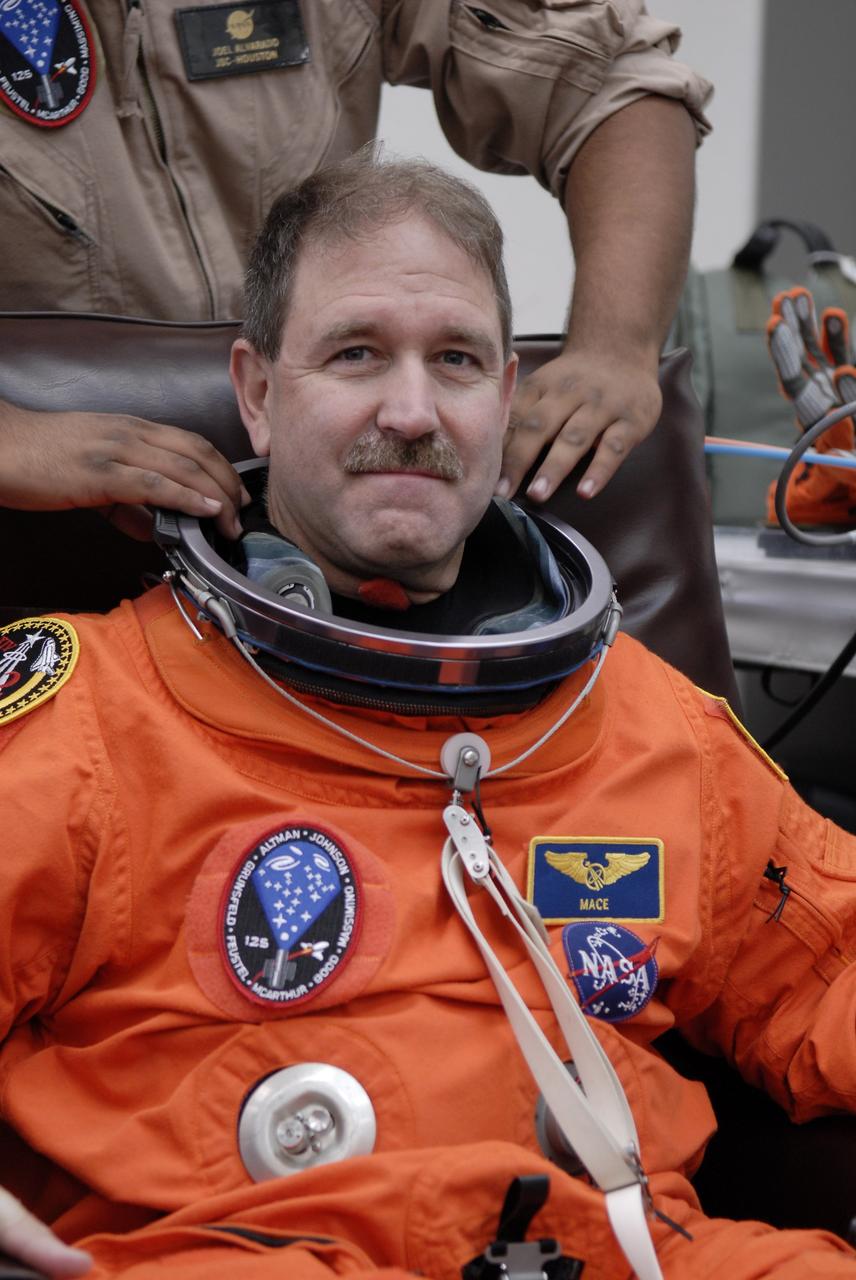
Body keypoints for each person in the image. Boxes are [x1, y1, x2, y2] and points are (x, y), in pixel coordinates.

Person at [3, 152, 854, 1280]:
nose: (410, 411)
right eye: (356, 353)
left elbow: (831, 970)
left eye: (453, 360)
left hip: (627, 1252)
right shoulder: (94, 717)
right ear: (256, 388)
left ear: (504, 394)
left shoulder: (647, 723)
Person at [0, 0, 712, 538]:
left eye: (459, 359)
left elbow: (611, 79)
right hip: (50, 526)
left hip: (315, 524)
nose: (416, 411)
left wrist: (615, 346)